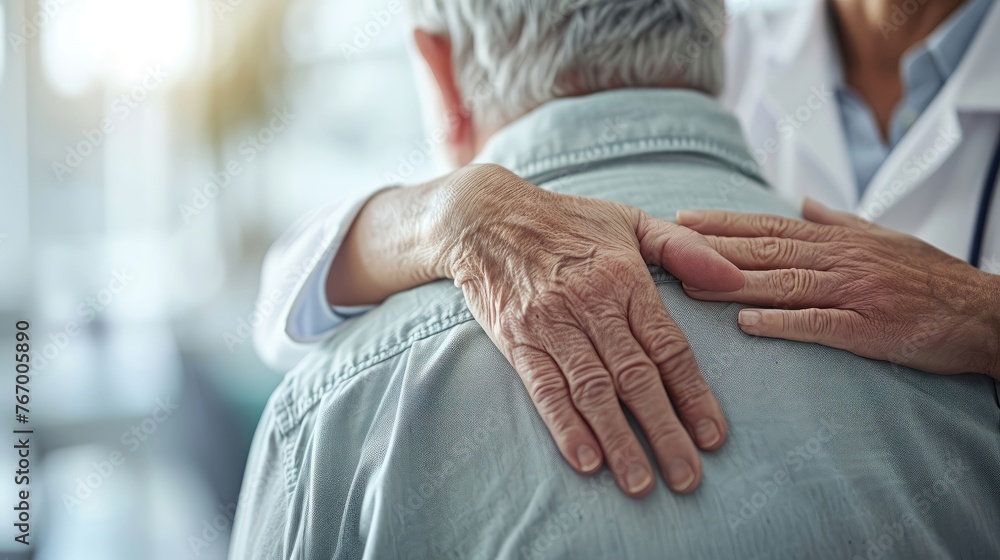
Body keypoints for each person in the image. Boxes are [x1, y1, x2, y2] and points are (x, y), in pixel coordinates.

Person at [230, 1, 1000, 556]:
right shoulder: (973, 416)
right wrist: (451, 210)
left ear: (438, 69)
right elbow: (286, 297)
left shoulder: (336, 410)